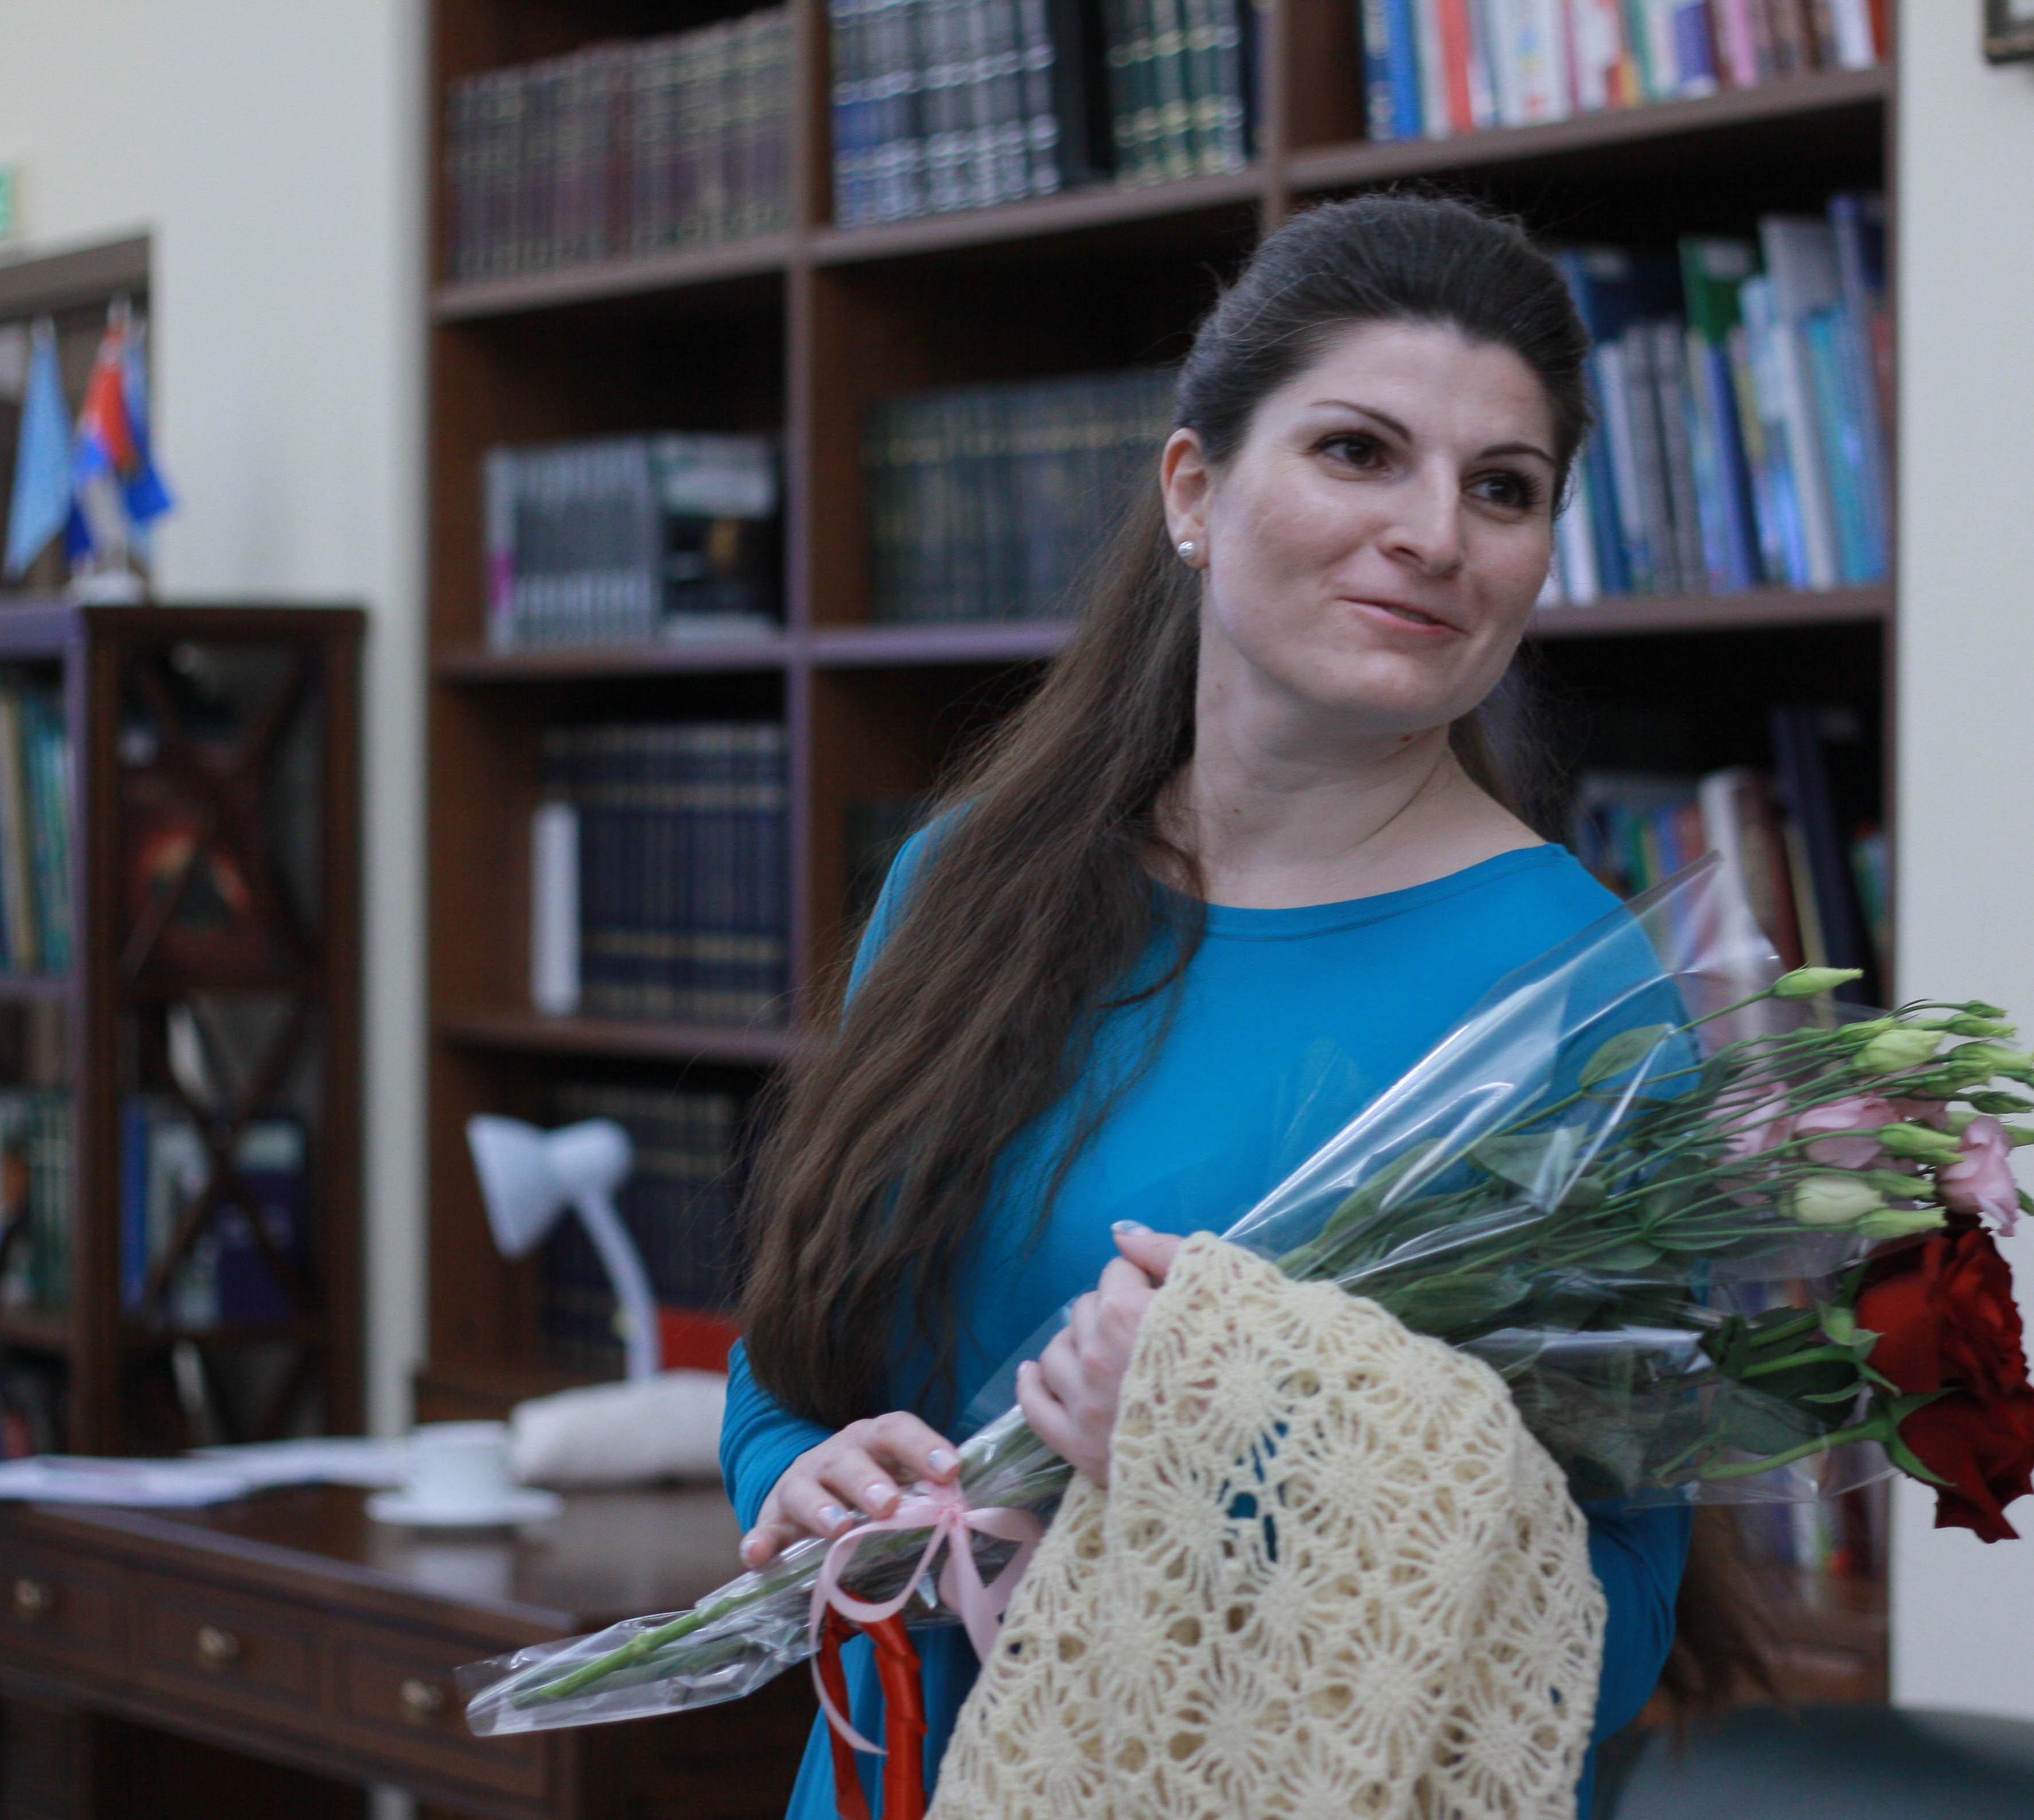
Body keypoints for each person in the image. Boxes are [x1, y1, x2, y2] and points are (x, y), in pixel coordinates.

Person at [725, 191, 1723, 1819]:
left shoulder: (1574, 999)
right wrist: (799, 1472)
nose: (1435, 533)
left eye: (1504, 487)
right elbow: (801, 1339)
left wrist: (1237, 1469)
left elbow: (1611, 1630)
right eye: (1358, 452)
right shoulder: (962, 882)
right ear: (1195, 489)